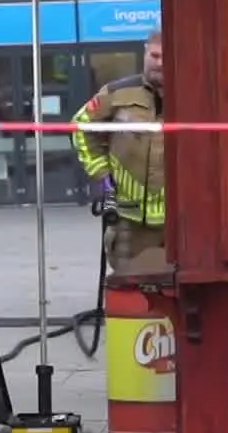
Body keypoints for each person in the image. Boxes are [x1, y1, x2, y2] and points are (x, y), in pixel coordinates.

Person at [70, 28, 167, 272]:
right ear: (145, 52)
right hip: (129, 221)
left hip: (183, 222)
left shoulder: (197, 93)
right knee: (129, 294)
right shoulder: (117, 93)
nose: (159, 63)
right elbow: (80, 126)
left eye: (166, 56)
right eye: (154, 56)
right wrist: (102, 174)